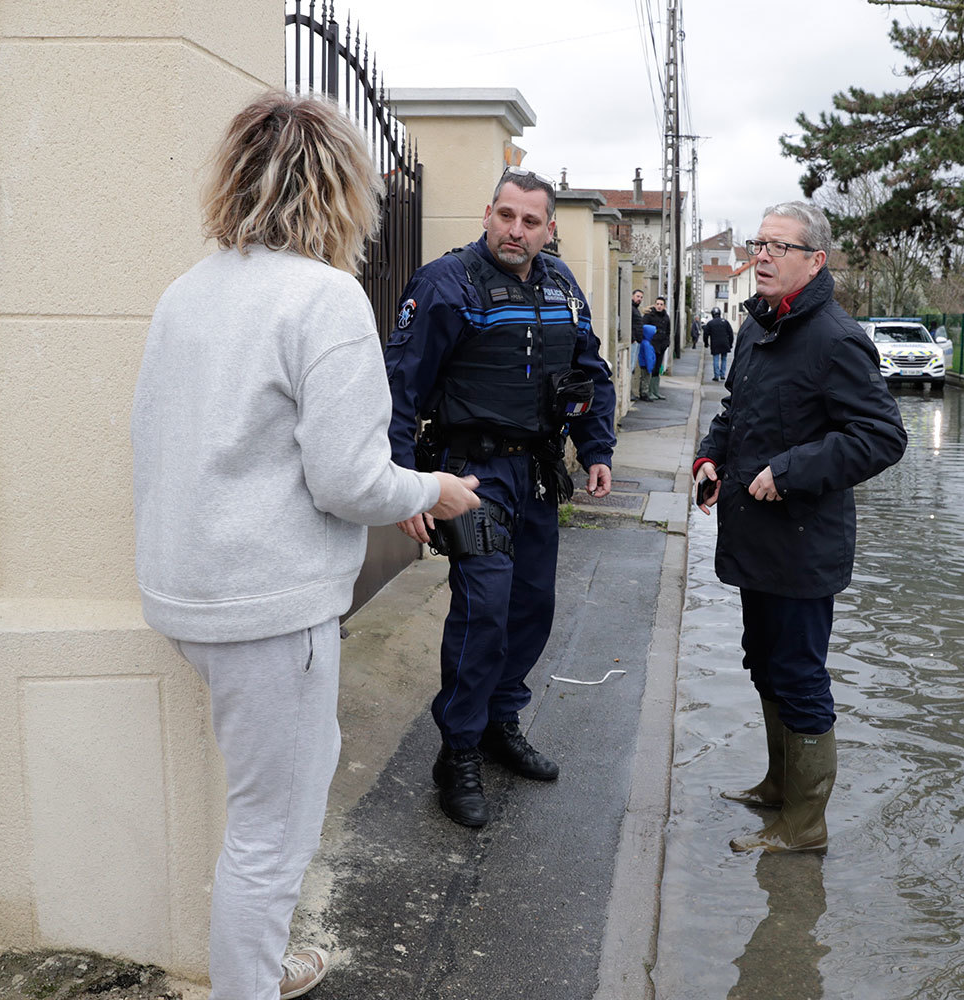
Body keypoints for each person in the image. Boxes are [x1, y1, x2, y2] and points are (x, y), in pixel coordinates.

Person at [131, 91, 481, 1000]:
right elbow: (351, 482)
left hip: (189, 595)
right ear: (339, 189)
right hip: (268, 607)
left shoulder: (188, 291)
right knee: (270, 833)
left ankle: (258, 966)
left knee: (269, 809)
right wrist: (436, 491)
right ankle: (248, 984)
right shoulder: (323, 299)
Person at [384, 168, 617, 828]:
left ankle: (498, 722)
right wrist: (407, 484)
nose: (516, 230)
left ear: (549, 229)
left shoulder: (563, 284)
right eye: (506, 215)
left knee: (531, 606)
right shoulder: (446, 284)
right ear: (488, 213)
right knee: (483, 606)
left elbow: (589, 371)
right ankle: (456, 750)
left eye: (530, 221)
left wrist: (597, 449)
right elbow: (401, 389)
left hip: (538, 474)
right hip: (470, 478)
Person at [694, 201, 907, 853]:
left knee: (800, 675)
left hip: (803, 545)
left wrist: (789, 470)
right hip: (754, 536)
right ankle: (779, 786)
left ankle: (806, 825)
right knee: (764, 662)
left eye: (778, 246)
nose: (762, 254)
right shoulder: (760, 330)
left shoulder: (835, 338)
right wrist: (711, 458)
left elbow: (882, 437)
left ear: (814, 262)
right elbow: (738, 412)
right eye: (759, 242)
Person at [642, 296, 671, 401]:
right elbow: (644, 329)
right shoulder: (649, 315)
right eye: (657, 304)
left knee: (657, 368)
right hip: (651, 345)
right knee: (651, 367)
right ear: (654, 305)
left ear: (664, 306)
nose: (659, 306)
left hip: (661, 345)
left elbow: (668, 332)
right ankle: (649, 391)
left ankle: (655, 391)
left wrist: (667, 343)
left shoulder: (666, 317)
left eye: (661, 304)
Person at [630, 288, 650, 402]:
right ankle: (629, 393)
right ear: (633, 296)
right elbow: (630, 323)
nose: (639, 299)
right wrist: (632, 338)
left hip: (637, 341)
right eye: (638, 296)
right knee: (631, 367)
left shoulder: (636, 309)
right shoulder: (631, 309)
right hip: (634, 341)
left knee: (632, 367)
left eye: (641, 297)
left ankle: (631, 392)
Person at [704, 306, 734, 382]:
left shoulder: (710, 323)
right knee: (724, 359)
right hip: (725, 344)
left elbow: (705, 334)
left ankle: (716, 376)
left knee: (716, 359)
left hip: (715, 344)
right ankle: (723, 374)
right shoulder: (725, 322)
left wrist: (706, 343)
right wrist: (730, 344)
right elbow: (731, 334)